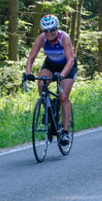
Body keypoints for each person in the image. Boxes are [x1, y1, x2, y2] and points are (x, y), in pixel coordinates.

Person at [24, 14, 78, 145]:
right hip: (50, 64)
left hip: (67, 66)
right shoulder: (41, 39)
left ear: (57, 28)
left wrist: (62, 75)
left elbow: (70, 60)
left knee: (63, 97)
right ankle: (48, 111)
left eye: (52, 30)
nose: (49, 33)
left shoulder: (63, 37)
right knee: (41, 83)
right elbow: (31, 58)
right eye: (46, 30)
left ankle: (65, 132)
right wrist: (28, 73)